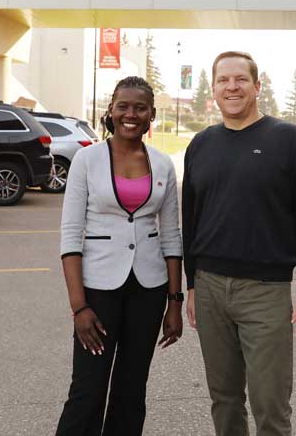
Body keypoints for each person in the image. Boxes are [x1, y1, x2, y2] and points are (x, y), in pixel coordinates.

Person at [182, 51, 296, 436]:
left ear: (256, 86)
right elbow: (191, 220)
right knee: (225, 400)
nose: (231, 87)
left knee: (270, 405)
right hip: (210, 287)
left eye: (240, 79)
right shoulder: (200, 145)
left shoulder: (289, 140)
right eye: (223, 81)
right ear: (213, 89)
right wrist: (192, 285)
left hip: (265, 292)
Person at [56, 76, 183, 436]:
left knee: (131, 390)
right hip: (98, 290)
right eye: (123, 106)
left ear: (151, 114)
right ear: (110, 111)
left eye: (140, 107)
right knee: (88, 390)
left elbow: (172, 235)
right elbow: (70, 234)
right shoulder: (86, 159)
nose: (131, 114)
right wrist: (79, 307)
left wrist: (174, 301)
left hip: (149, 289)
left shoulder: (162, 164)